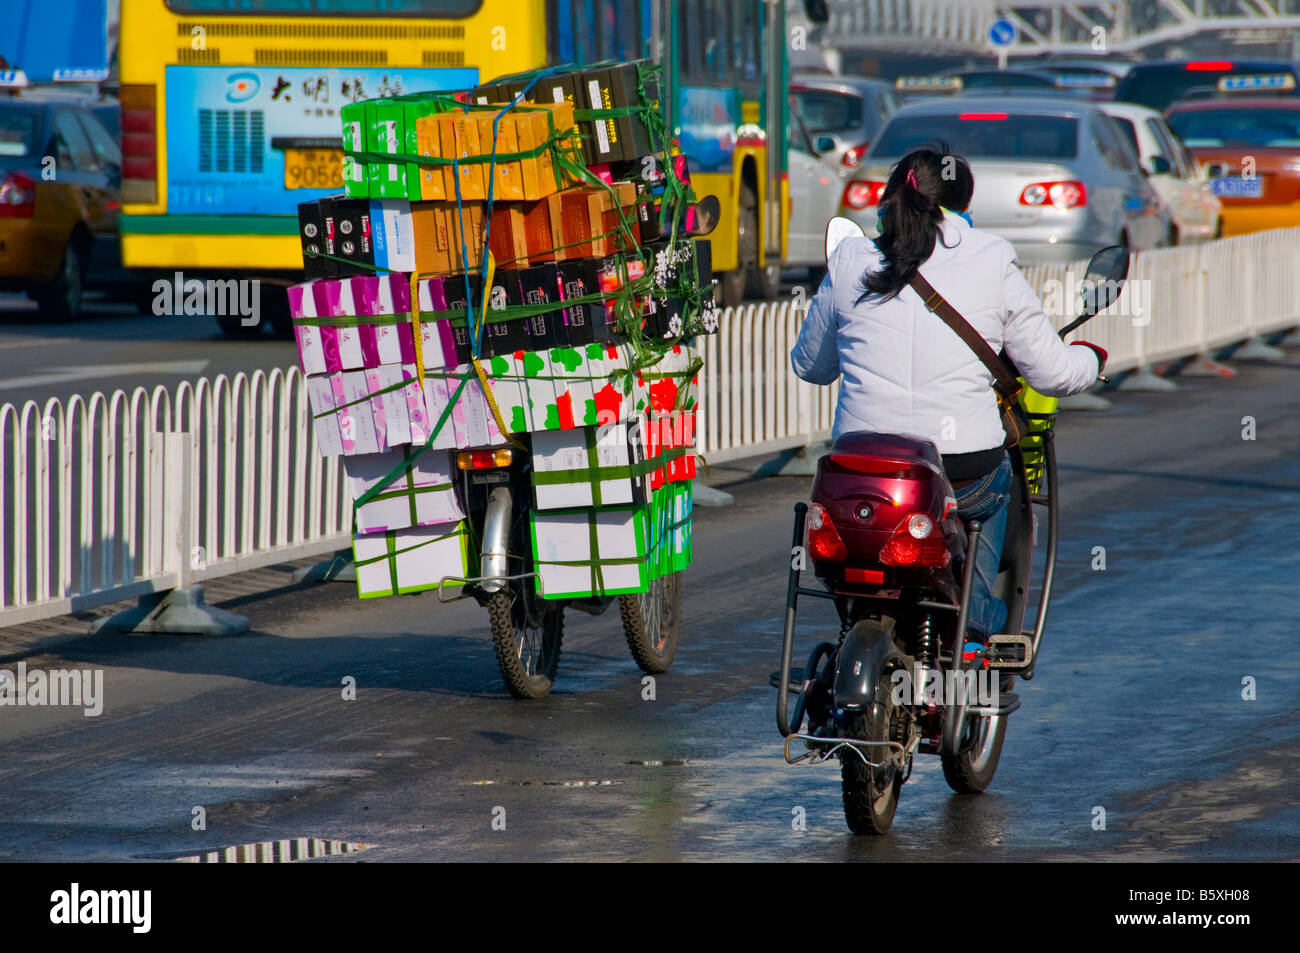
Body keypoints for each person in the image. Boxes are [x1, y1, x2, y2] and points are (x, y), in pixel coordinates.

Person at [790, 146, 1107, 646]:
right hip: (960, 469)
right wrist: (1092, 361)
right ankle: (975, 630)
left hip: (862, 472)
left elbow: (810, 365)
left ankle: (859, 619)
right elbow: (1051, 373)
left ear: (892, 196)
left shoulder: (852, 257)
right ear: (962, 204)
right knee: (996, 492)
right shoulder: (992, 257)